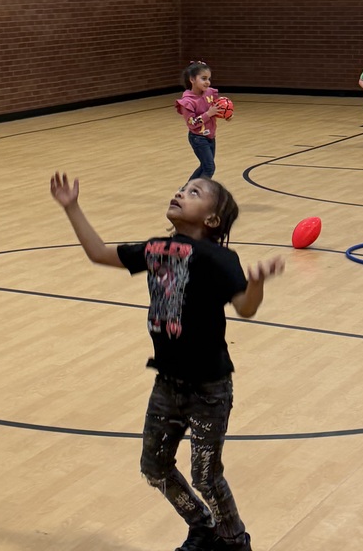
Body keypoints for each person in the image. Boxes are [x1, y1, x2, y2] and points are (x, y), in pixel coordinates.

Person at [50, 171, 284, 551]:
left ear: (211, 220)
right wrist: (72, 207)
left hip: (208, 387)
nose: (181, 192)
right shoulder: (158, 248)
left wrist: (255, 283)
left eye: (194, 192)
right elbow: (98, 254)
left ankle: (234, 542)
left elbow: (245, 307)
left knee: (206, 476)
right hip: (167, 383)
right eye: (182, 188)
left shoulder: (219, 257)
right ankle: (202, 527)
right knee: (154, 467)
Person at [175, 61, 223, 182]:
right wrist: (209, 114)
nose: (207, 82)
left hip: (210, 136)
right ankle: (196, 193)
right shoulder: (188, 101)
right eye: (203, 78)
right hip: (198, 138)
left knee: (205, 166)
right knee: (209, 168)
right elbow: (192, 123)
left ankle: (185, 192)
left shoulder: (209, 93)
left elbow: (216, 107)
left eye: (209, 78)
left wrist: (225, 114)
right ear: (192, 79)